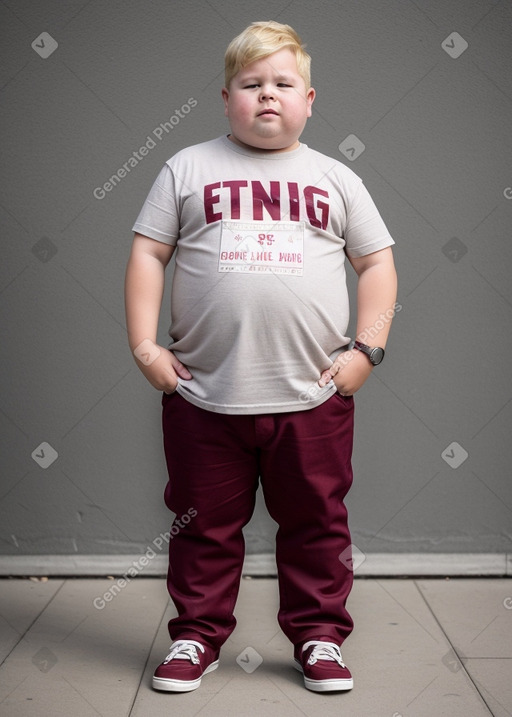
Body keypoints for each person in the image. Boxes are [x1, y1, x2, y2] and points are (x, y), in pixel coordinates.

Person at [125, 20, 397, 694]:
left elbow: (379, 264)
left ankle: (320, 636)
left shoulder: (334, 177)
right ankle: (196, 632)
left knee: (316, 521)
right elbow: (147, 254)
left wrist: (369, 348)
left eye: (282, 84)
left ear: (309, 98)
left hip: (312, 395)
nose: (266, 96)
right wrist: (144, 346)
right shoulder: (187, 167)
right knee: (202, 524)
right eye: (251, 84)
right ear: (226, 99)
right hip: (204, 397)